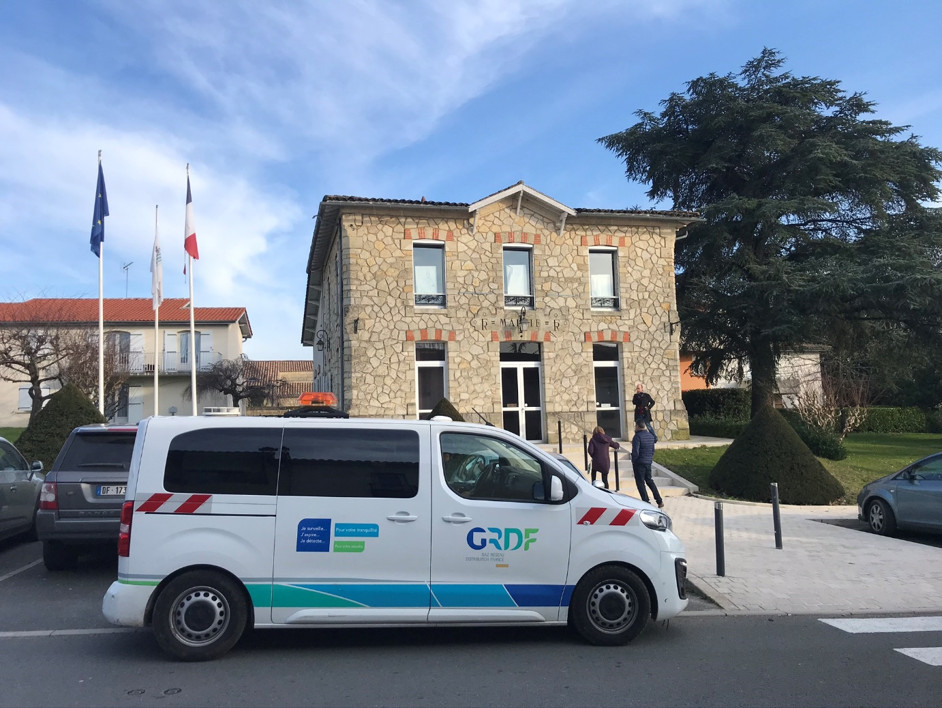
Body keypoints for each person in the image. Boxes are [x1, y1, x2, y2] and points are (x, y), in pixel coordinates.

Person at [631, 420, 663, 508]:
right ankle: (659, 500)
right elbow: (652, 450)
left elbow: (635, 451)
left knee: (640, 482)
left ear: (637, 426)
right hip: (648, 461)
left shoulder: (637, 437)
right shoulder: (651, 436)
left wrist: (634, 460)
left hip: (639, 462)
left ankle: (646, 501)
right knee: (649, 480)